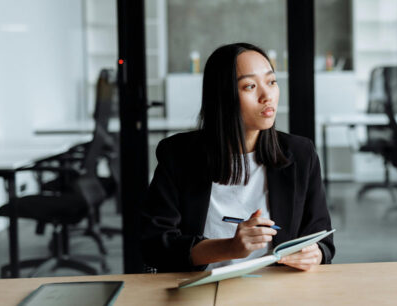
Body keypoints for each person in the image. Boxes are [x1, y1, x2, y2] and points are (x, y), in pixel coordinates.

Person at [141, 42, 335, 272]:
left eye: (271, 82)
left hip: (278, 289)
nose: (267, 96)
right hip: (199, 291)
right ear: (222, 96)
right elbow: (155, 246)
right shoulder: (178, 155)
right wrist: (230, 247)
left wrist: (315, 253)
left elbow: (323, 239)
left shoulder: (300, 154)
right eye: (250, 86)